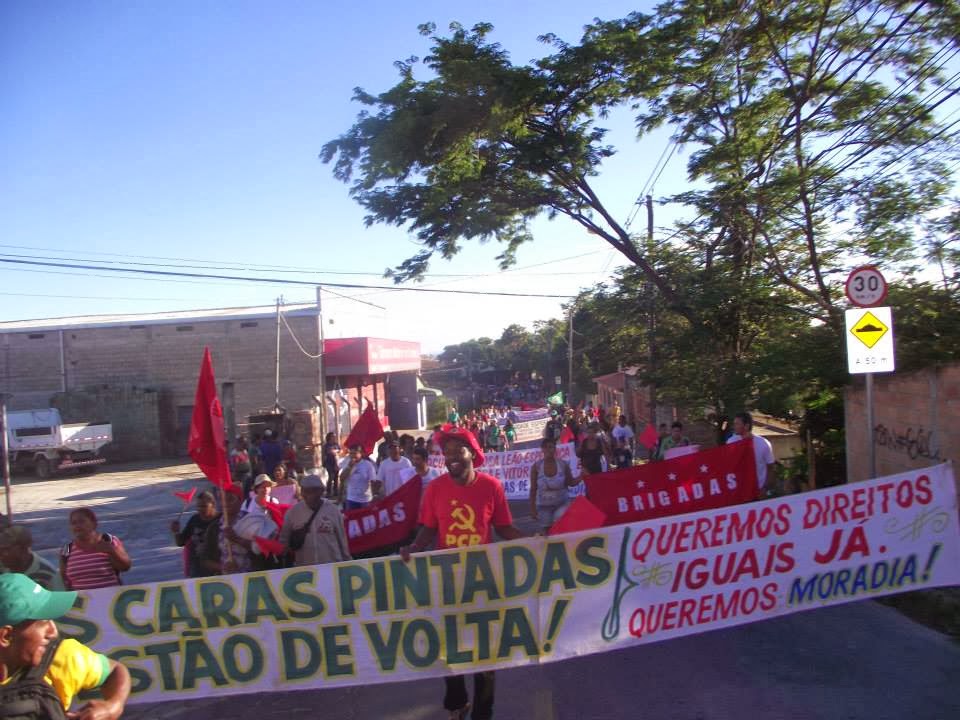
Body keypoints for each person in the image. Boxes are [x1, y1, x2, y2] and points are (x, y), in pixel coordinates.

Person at [400, 427, 523, 720]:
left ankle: (483, 712)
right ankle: (457, 702)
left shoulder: (492, 487)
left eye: (459, 451)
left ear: (473, 454)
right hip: (448, 582)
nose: (452, 457)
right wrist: (414, 547)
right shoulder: (435, 489)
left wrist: (534, 542)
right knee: (449, 649)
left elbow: (504, 528)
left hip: (483, 582)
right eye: (448, 452)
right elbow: (429, 529)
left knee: (485, 654)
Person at [0, 573, 131, 719]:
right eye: (42, 622)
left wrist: (113, 706)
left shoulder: (63, 657)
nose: (53, 632)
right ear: (6, 636)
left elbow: (115, 670)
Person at [278, 470, 351, 566]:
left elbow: (342, 539)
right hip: (306, 568)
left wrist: (347, 563)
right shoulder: (293, 513)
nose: (309, 496)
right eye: (306, 492)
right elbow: (284, 541)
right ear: (302, 493)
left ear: (321, 492)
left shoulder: (333, 510)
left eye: (313, 491)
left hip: (332, 566)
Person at [59, 508, 131, 591]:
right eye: (73, 523)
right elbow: (64, 580)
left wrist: (112, 551)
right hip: (81, 599)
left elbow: (125, 567)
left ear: (94, 523)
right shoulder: (66, 549)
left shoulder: (108, 540)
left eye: (82, 521)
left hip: (111, 597)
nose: (77, 526)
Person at [529, 438, 578, 534]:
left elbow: (571, 482)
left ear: (555, 449)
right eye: (546, 447)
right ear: (542, 449)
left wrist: (581, 477)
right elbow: (533, 489)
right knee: (547, 533)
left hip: (562, 503)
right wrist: (532, 509)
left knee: (560, 527)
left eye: (551, 447)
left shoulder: (563, 464)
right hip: (543, 506)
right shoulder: (536, 467)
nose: (548, 450)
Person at [203, 485, 253, 575]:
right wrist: (223, 567)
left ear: (241, 500)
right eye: (222, 499)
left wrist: (237, 539)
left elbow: (260, 550)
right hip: (227, 580)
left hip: (252, 577)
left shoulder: (251, 520)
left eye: (230, 499)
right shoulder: (214, 527)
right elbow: (206, 559)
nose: (226, 503)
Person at [170, 491, 220, 579]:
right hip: (197, 570)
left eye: (204, 506)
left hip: (218, 569)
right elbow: (181, 542)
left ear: (213, 504)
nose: (200, 509)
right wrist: (176, 532)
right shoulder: (194, 519)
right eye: (198, 506)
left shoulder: (221, 519)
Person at [0, 525, 64, 591]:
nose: (1, 554)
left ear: (23, 550)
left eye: (6, 549)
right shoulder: (5, 566)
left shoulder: (47, 576)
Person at [726, 412, 776, 495]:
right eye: (734, 423)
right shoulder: (731, 442)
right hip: (740, 492)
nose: (734, 426)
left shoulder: (763, 443)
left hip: (759, 490)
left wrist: (765, 488)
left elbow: (770, 467)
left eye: (737, 424)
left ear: (746, 426)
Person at [339, 444, 378, 510]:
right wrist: (349, 467)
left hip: (365, 500)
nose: (352, 456)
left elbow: (373, 481)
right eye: (351, 453)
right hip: (351, 499)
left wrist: (374, 495)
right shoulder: (347, 463)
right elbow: (341, 478)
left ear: (361, 453)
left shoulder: (368, 465)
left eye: (355, 453)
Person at [322, 432, 342, 500]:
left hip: (336, 463)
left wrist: (335, 451)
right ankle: (328, 492)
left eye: (334, 436)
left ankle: (335, 491)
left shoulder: (336, 444)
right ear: (329, 437)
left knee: (336, 477)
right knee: (331, 476)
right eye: (332, 436)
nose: (334, 438)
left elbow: (340, 450)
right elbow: (329, 452)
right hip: (329, 463)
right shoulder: (327, 445)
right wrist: (335, 451)